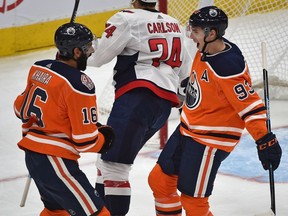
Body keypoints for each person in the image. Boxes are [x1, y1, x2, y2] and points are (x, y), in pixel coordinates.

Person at [148, 6, 282, 216]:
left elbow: (250, 106)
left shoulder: (227, 66)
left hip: (209, 141)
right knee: (160, 181)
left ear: (211, 33)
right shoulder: (206, 49)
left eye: (196, 32)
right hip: (188, 129)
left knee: (194, 203)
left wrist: (264, 139)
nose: (191, 36)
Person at [88, 0, 190, 215]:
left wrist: (75, 48)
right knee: (106, 159)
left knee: (114, 167)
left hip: (136, 99)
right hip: (162, 106)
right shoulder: (173, 23)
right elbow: (185, 72)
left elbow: (97, 58)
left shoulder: (126, 18)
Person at [14, 22, 115, 216]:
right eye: (87, 47)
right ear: (76, 52)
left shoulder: (38, 69)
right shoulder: (79, 83)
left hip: (34, 157)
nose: (92, 50)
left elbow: (19, 109)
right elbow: (85, 141)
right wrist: (104, 139)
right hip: (56, 161)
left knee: (56, 211)